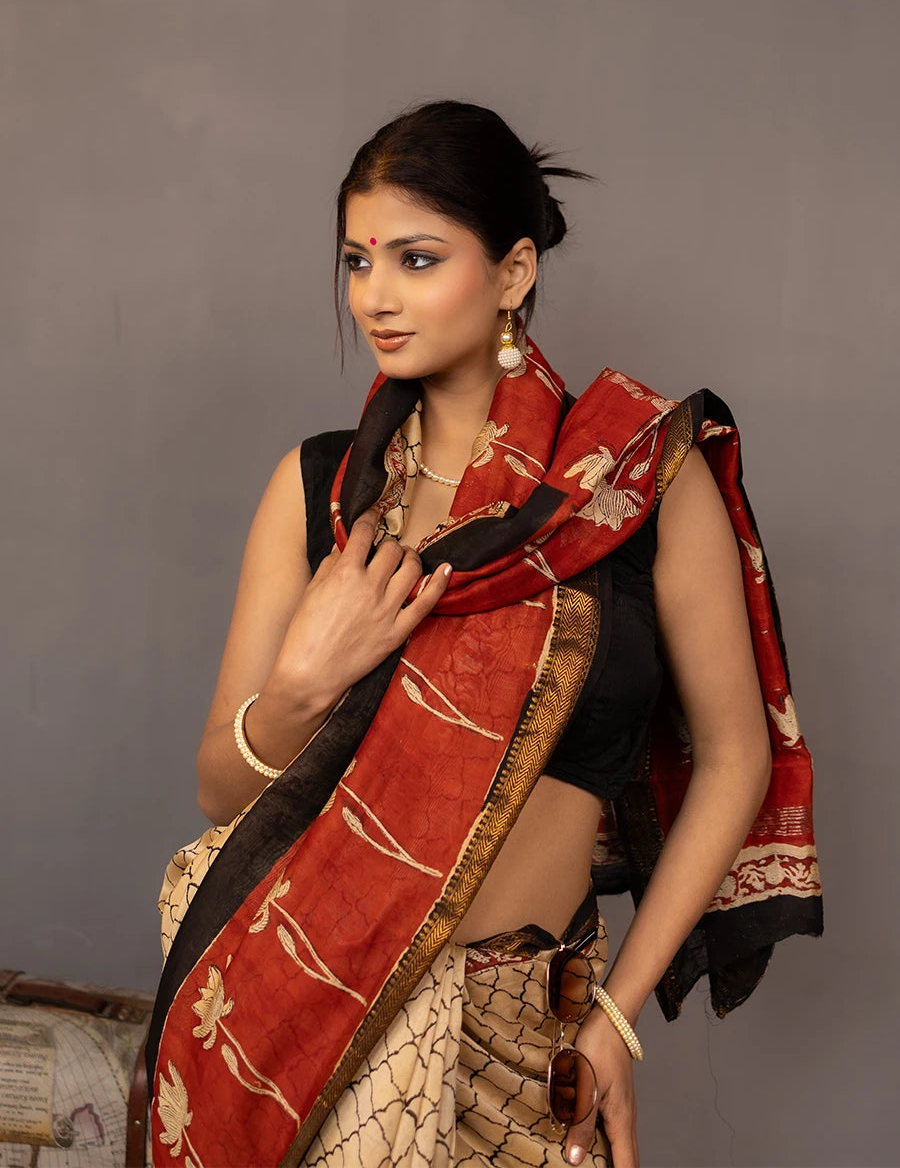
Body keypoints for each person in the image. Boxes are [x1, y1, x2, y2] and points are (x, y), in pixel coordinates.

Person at [146, 100, 822, 1168]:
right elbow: (222, 793)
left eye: (417, 259)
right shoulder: (323, 490)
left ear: (512, 273)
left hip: (522, 1042)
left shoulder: (636, 482)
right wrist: (306, 679)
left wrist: (614, 1024)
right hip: (292, 1019)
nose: (375, 296)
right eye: (358, 261)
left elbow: (737, 757)